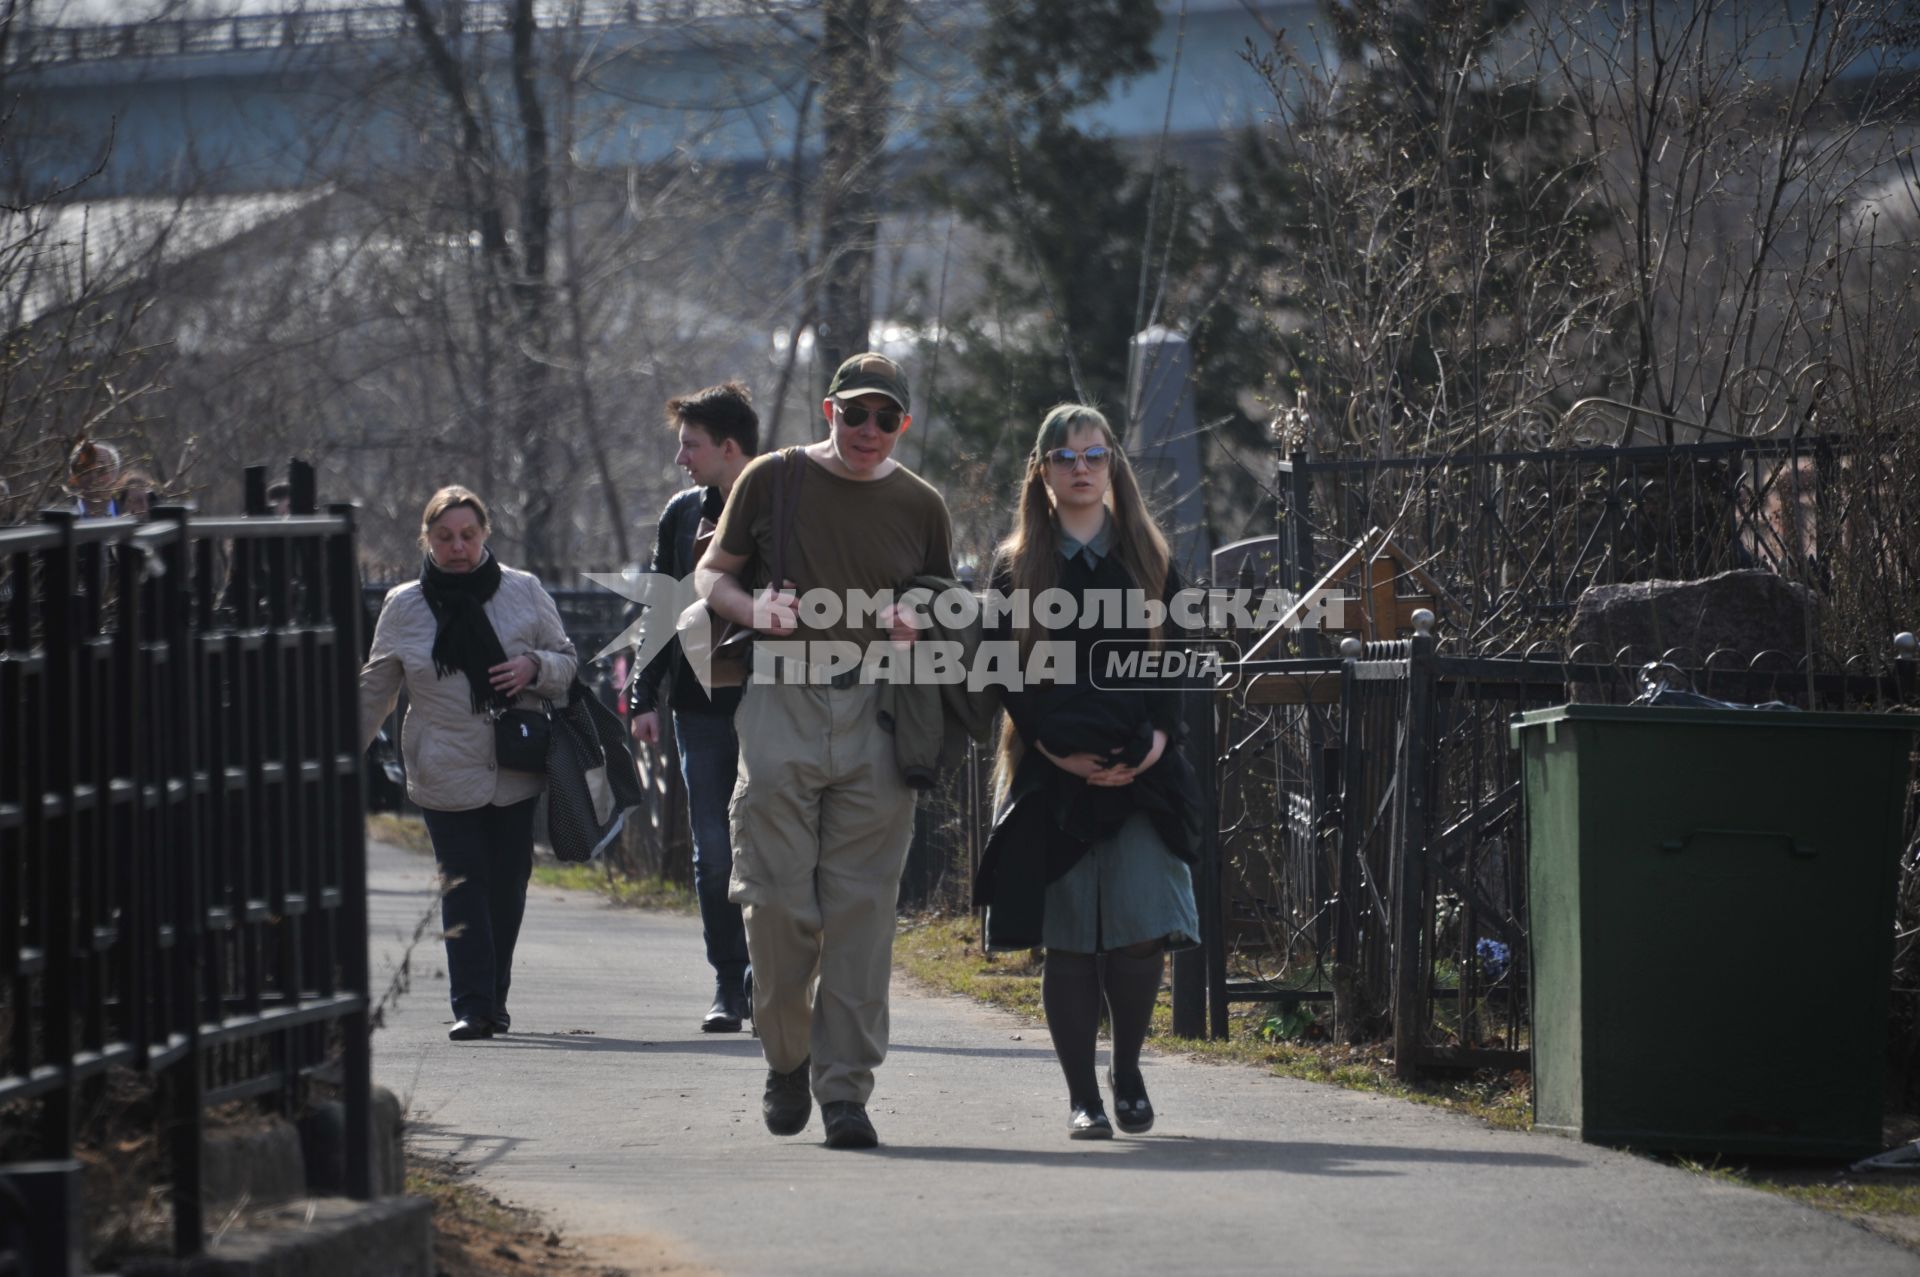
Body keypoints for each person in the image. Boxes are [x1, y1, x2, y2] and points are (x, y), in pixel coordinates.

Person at [696, 352, 953, 1150]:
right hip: (782, 694)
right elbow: (710, 577)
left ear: (902, 424)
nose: (869, 430)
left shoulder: (922, 504)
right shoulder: (770, 479)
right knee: (775, 898)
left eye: (886, 417)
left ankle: (845, 1091)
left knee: (861, 913)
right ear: (827, 409)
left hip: (878, 706)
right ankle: (786, 1055)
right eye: (855, 413)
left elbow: (943, 596)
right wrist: (754, 605)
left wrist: (922, 614)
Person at [975, 403, 1202, 1140]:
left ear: (1112, 468)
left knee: (1140, 930)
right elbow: (999, 669)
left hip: (1143, 772)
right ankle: (1083, 1096)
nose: (1080, 468)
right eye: (1065, 457)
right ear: (1041, 472)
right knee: (1070, 939)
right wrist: (1050, 748)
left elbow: (1182, 664)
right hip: (1048, 770)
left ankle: (1127, 1066)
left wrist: (1160, 742)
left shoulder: (1152, 559)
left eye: (1094, 456)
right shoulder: (1015, 567)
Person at [360, 486, 578, 1041]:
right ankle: (473, 1005)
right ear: (427, 541)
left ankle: (494, 996)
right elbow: (377, 690)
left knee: (508, 885)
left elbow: (568, 663)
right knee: (462, 882)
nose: (458, 548)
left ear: (485, 536)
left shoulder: (523, 591)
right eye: (445, 538)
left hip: (514, 764)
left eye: (468, 536)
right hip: (442, 763)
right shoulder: (404, 605)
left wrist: (534, 666)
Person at [627, 381, 759, 1033]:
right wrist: (640, 694)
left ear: (728, 448)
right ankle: (729, 982)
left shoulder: (784, 506)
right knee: (713, 848)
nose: (682, 458)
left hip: (775, 701)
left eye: (692, 446)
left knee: (777, 841)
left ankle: (775, 971)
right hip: (699, 706)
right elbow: (659, 606)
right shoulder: (682, 514)